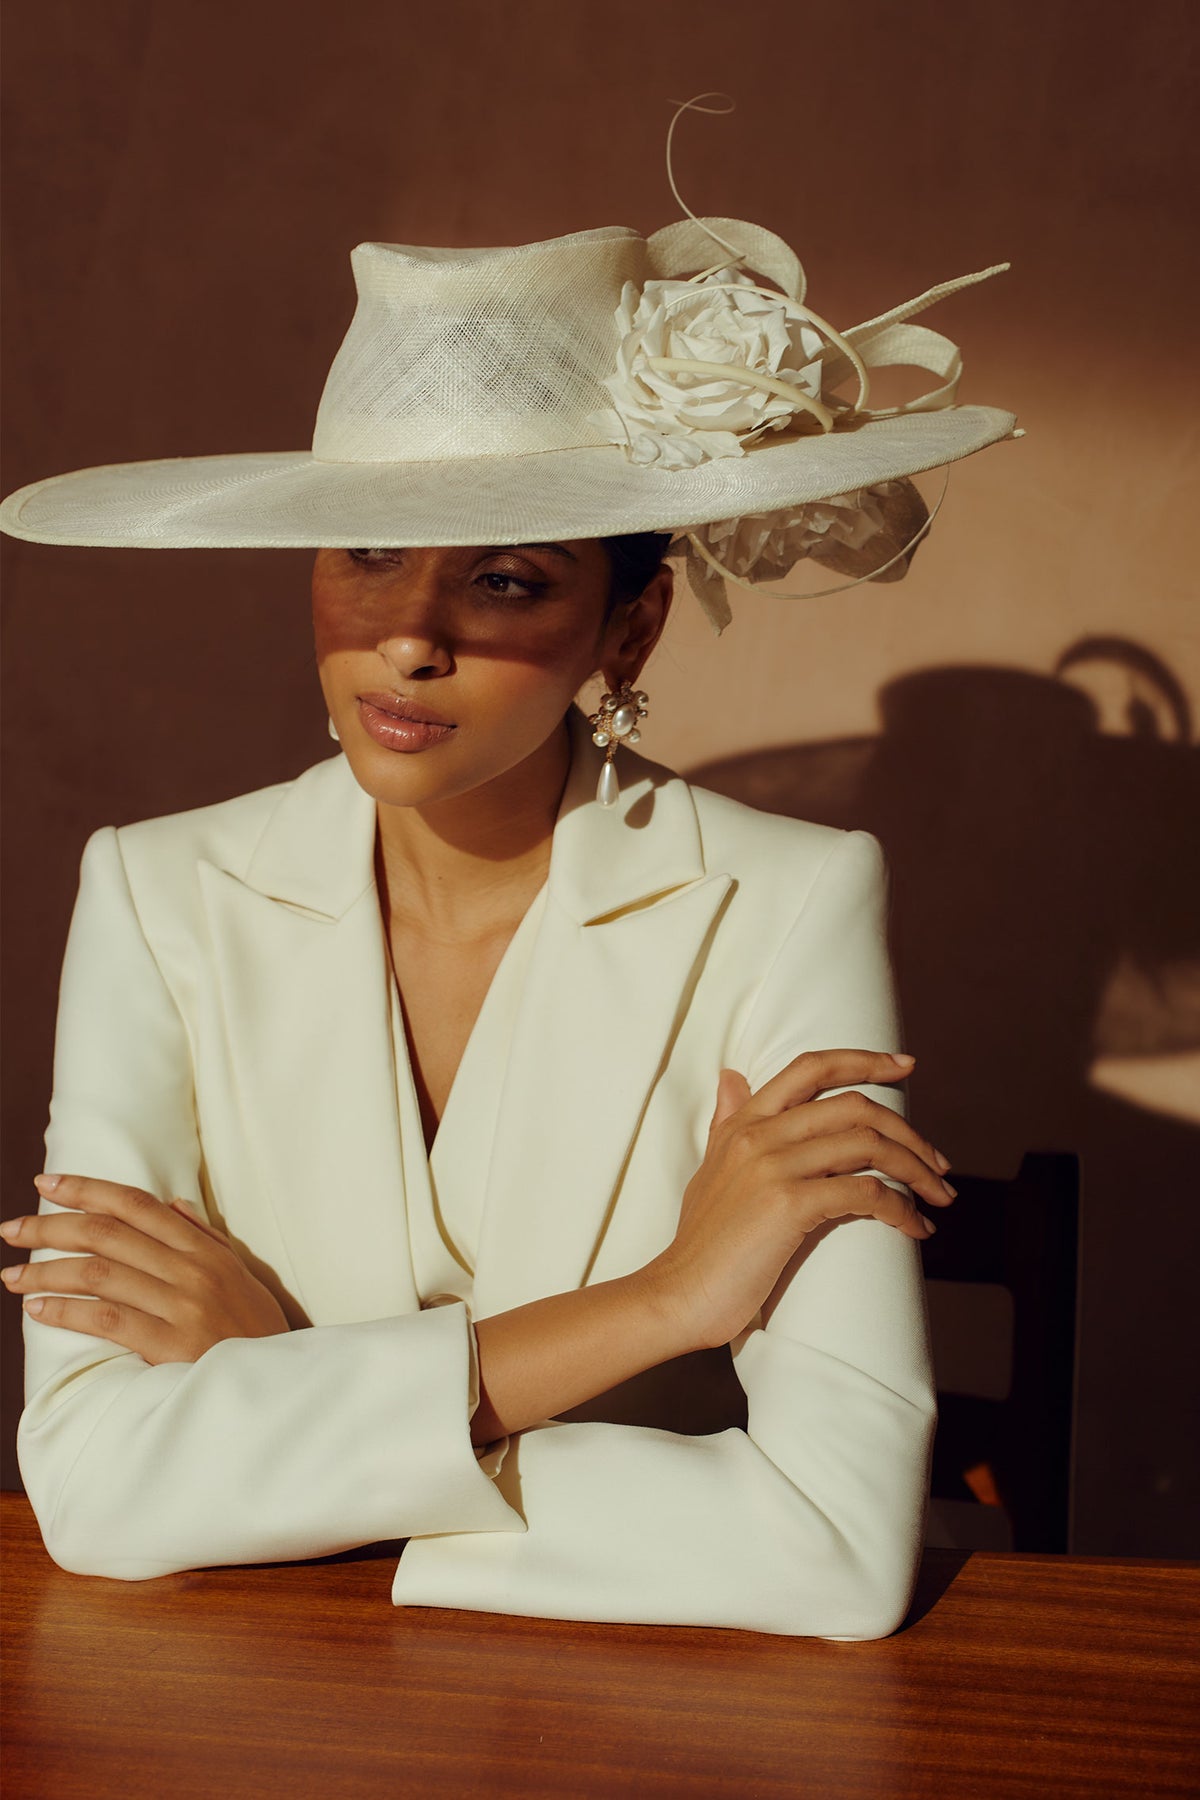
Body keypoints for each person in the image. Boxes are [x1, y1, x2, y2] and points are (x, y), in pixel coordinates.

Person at [0, 109, 1017, 1636]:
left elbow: (834, 1542)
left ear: (631, 628)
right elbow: (86, 1483)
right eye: (363, 551)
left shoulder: (787, 903)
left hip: (639, 1732)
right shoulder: (156, 893)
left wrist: (283, 1412)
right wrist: (664, 1304)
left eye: (505, 578)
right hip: (250, 1721)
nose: (413, 634)